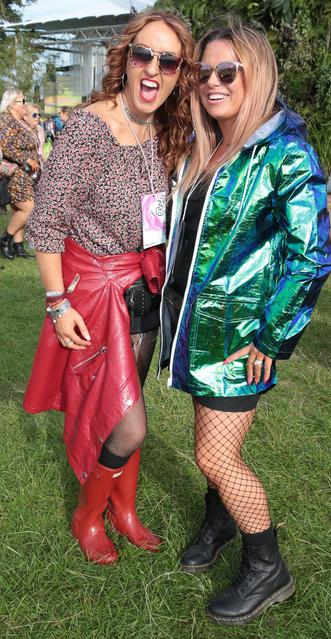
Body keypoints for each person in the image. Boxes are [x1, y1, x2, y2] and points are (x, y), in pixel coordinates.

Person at [160, 19, 331, 626]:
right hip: (200, 331)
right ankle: (218, 522)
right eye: (203, 71)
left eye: (226, 71)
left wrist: (271, 336)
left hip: (241, 341)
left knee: (215, 456)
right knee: (211, 442)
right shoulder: (211, 146)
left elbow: (311, 256)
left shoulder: (285, 152)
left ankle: (268, 568)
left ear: (256, 74)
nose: (211, 82)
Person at [23, 10, 194, 565]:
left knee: (128, 404)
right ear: (124, 59)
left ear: (178, 73)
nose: (154, 69)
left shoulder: (164, 130)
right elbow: (46, 221)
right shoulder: (89, 128)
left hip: (143, 291)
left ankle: (124, 509)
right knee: (129, 422)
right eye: (144, 55)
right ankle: (87, 514)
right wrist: (57, 303)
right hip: (96, 294)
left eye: (168, 61)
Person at [0, 90, 39, 259]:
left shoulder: (19, 120)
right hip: (16, 171)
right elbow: (7, 146)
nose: (25, 103)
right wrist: (26, 159)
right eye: (21, 101)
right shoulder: (6, 119)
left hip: (26, 172)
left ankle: (18, 246)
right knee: (28, 208)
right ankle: (4, 239)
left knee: (19, 210)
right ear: (11, 104)